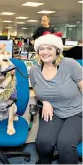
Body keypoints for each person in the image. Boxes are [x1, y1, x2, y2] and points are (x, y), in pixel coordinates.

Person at [29, 34, 82, 164]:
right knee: (43, 142)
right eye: (41, 48)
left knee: (65, 144)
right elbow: (37, 90)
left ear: (57, 50)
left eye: (49, 48)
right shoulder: (34, 71)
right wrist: (45, 102)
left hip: (78, 112)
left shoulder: (70, 64)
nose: (45, 52)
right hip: (55, 112)